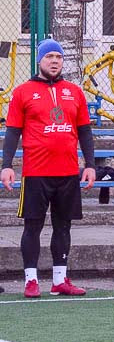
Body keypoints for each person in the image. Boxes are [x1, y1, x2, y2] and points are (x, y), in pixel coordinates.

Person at [0, 39, 95, 298]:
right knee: (33, 227)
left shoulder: (74, 92)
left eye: (59, 56)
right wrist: (6, 165)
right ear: (40, 60)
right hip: (36, 173)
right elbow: (12, 132)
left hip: (67, 173)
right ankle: (31, 280)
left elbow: (85, 132)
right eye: (50, 56)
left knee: (63, 227)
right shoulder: (22, 92)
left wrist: (90, 165)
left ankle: (59, 279)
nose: (55, 61)